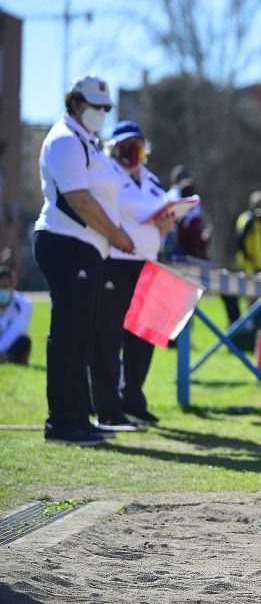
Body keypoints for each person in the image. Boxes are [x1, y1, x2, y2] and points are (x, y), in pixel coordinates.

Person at [34, 75, 135, 446]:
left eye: (107, 107)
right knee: (68, 335)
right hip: (67, 243)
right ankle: (61, 423)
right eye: (96, 106)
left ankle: (78, 417)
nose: (102, 113)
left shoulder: (88, 142)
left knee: (80, 336)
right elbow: (80, 200)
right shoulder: (64, 140)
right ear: (75, 102)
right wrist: (116, 234)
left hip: (87, 247)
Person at [89, 121, 175, 431]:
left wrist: (165, 226)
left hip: (147, 264)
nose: (132, 151)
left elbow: (157, 221)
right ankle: (107, 408)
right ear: (114, 147)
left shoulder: (151, 180)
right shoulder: (106, 175)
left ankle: (133, 399)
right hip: (115, 262)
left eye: (137, 145)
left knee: (143, 336)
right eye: (126, 145)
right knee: (108, 337)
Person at [223, 191, 261, 325]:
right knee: (250, 293)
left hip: (257, 262)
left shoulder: (258, 220)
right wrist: (247, 255)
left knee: (255, 293)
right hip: (248, 263)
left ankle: (252, 320)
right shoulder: (249, 219)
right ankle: (248, 321)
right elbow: (240, 240)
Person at [0, 266, 32, 365]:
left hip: (11, 346)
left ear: (12, 285)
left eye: (5, 286)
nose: (2, 290)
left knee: (24, 341)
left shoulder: (24, 305)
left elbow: (14, 332)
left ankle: (7, 358)